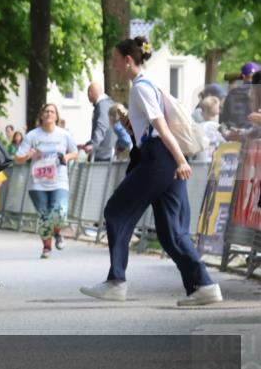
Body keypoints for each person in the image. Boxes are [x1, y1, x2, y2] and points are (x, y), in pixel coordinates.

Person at [80, 37, 222, 306]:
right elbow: (153, 128)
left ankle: (116, 281)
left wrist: (181, 160)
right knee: (171, 231)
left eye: (115, 60)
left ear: (128, 60)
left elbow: (161, 127)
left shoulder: (140, 89)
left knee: (115, 211)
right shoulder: (148, 86)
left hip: (158, 160)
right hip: (162, 158)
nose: (113, 66)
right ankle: (203, 285)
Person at [15, 103, 79, 258]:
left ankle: (57, 232)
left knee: (59, 211)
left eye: (52, 112)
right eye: (46, 111)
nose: (49, 114)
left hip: (59, 181)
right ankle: (47, 247)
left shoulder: (64, 135)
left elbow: (75, 151)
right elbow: (18, 158)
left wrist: (66, 157)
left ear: (56, 117)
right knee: (44, 215)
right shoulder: (32, 135)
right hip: (38, 183)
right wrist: (28, 155)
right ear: (41, 116)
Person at [219, 61, 258, 132]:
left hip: (233, 133)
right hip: (254, 134)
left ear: (243, 76)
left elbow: (224, 116)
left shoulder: (232, 93)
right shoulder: (258, 92)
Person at [83, 82, 116, 162]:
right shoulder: (110, 103)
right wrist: (88, 143)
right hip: (108, 153)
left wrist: (93, 145)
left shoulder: (102, 105)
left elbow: (102, 126)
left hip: (102, 155)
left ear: (90, 93)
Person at [197, 96, 224, 162]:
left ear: (203, 112)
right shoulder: (221, 128)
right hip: (218, 162)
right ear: (218, 111)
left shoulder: (199, 127)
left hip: (202, 163)